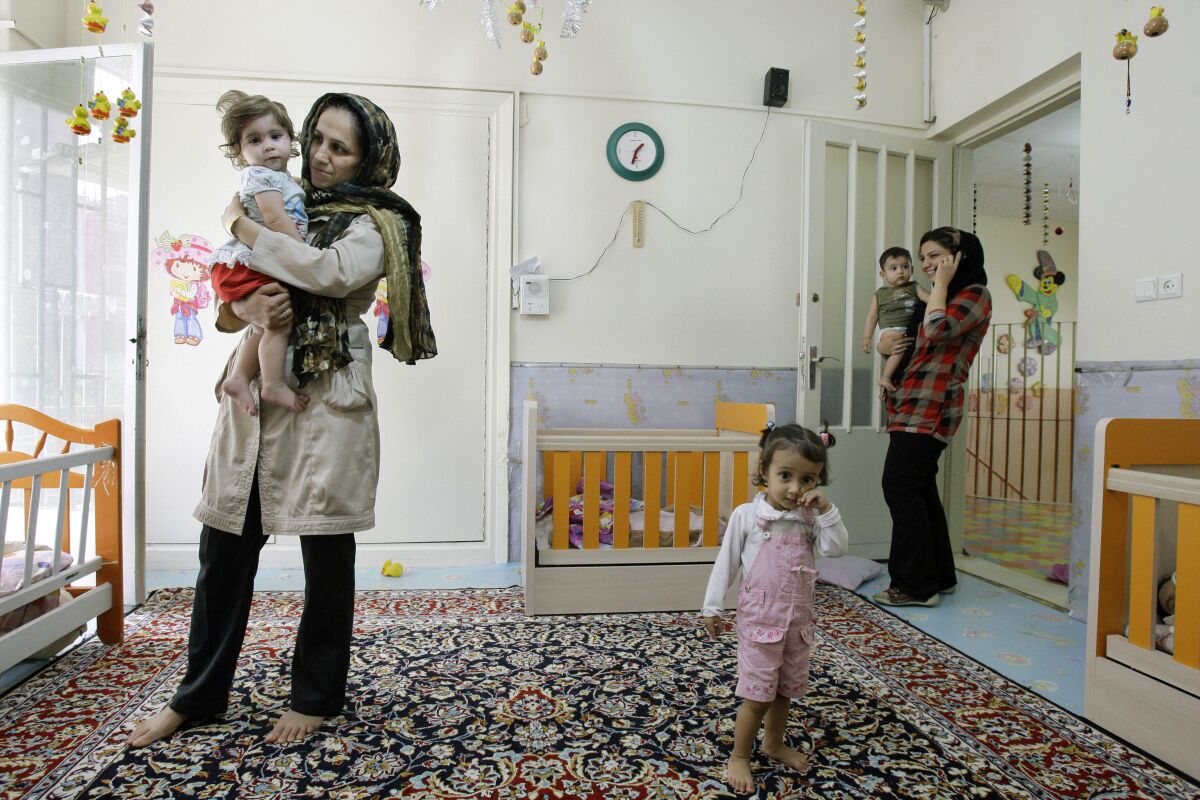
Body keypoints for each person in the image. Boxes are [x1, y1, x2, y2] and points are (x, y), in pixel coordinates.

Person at [128, 92, 435, 748]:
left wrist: (241, 228)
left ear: (369, 157)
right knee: (222, 551)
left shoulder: (378, 223)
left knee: (326, 554)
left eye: (341, 147)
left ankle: (315, 697)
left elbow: (325, 273)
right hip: (259, 403)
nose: (322, 156)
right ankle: (198, 694)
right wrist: (252, 312)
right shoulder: (286, 203)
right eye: (317, 139)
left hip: (326, 400)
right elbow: (233, 298)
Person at [701, 422, 849, 794]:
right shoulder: (746, 516)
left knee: (784, 690)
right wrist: (712, 606)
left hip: (797, 622)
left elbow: (836, 549)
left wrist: (828, 510)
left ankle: (773, 742)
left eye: (808, 479)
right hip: (760, 622)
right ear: (764, 471)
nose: (795, 488)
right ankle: (739, 755)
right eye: (785, 476)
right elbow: (727, 562)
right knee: (758, 693)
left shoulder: (811, 517)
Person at [873, 227, 991, 607]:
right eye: (923, 258)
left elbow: (938, 329)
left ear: (960, 258)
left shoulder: (974, 295)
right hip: (910, 403)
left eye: (936, 256)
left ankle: (914, 585)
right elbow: (909, 340)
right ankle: (939, 577)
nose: (926, 265)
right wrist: (882, 345)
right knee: (920, 488)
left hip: (933, 407)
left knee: (900, 486)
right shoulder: (936, 297)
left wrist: (939, 285)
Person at [208, 90, 311, 415]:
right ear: (240, 153)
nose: (267, 145)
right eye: (254, 140)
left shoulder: (286, 181)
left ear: (290, 140)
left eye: (275, 136)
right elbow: (275, 218)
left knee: (269, 323)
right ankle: (272, 385)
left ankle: (239, 376)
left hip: (249, 261)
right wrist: (301, 254)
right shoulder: (261, 176)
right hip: (247, 263)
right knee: (277, 322)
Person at [862, 246, 929, 391]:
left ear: (912, 269)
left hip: (908, 329)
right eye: (894, 268)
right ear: (883, 274)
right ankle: (885, 378)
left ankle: (892, 380)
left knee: (903, 353)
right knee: (898, 347)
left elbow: (929, 299)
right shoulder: (880, 293)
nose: (900, 271)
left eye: (905, 266)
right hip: (889, 329)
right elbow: (872, 316)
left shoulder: (914, 287)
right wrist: (867, 338)